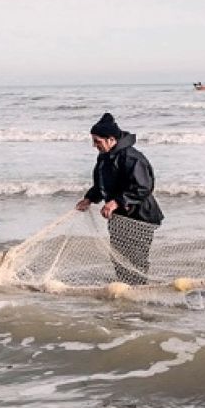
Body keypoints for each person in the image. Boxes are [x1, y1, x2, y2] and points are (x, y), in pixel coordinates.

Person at [76, 112, 164, 285]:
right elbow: (101, 185)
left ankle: (139, 293)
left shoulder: (132, 158)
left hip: (140, 216)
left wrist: (116, 202)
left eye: (97, 141)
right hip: (119, 216)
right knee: (118, 256)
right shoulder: (104, 157)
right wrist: (89, 199)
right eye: (93, 141)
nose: (94, 145)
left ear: (111, 139)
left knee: (135, 258)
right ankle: (125, 294)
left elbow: (143, 187)